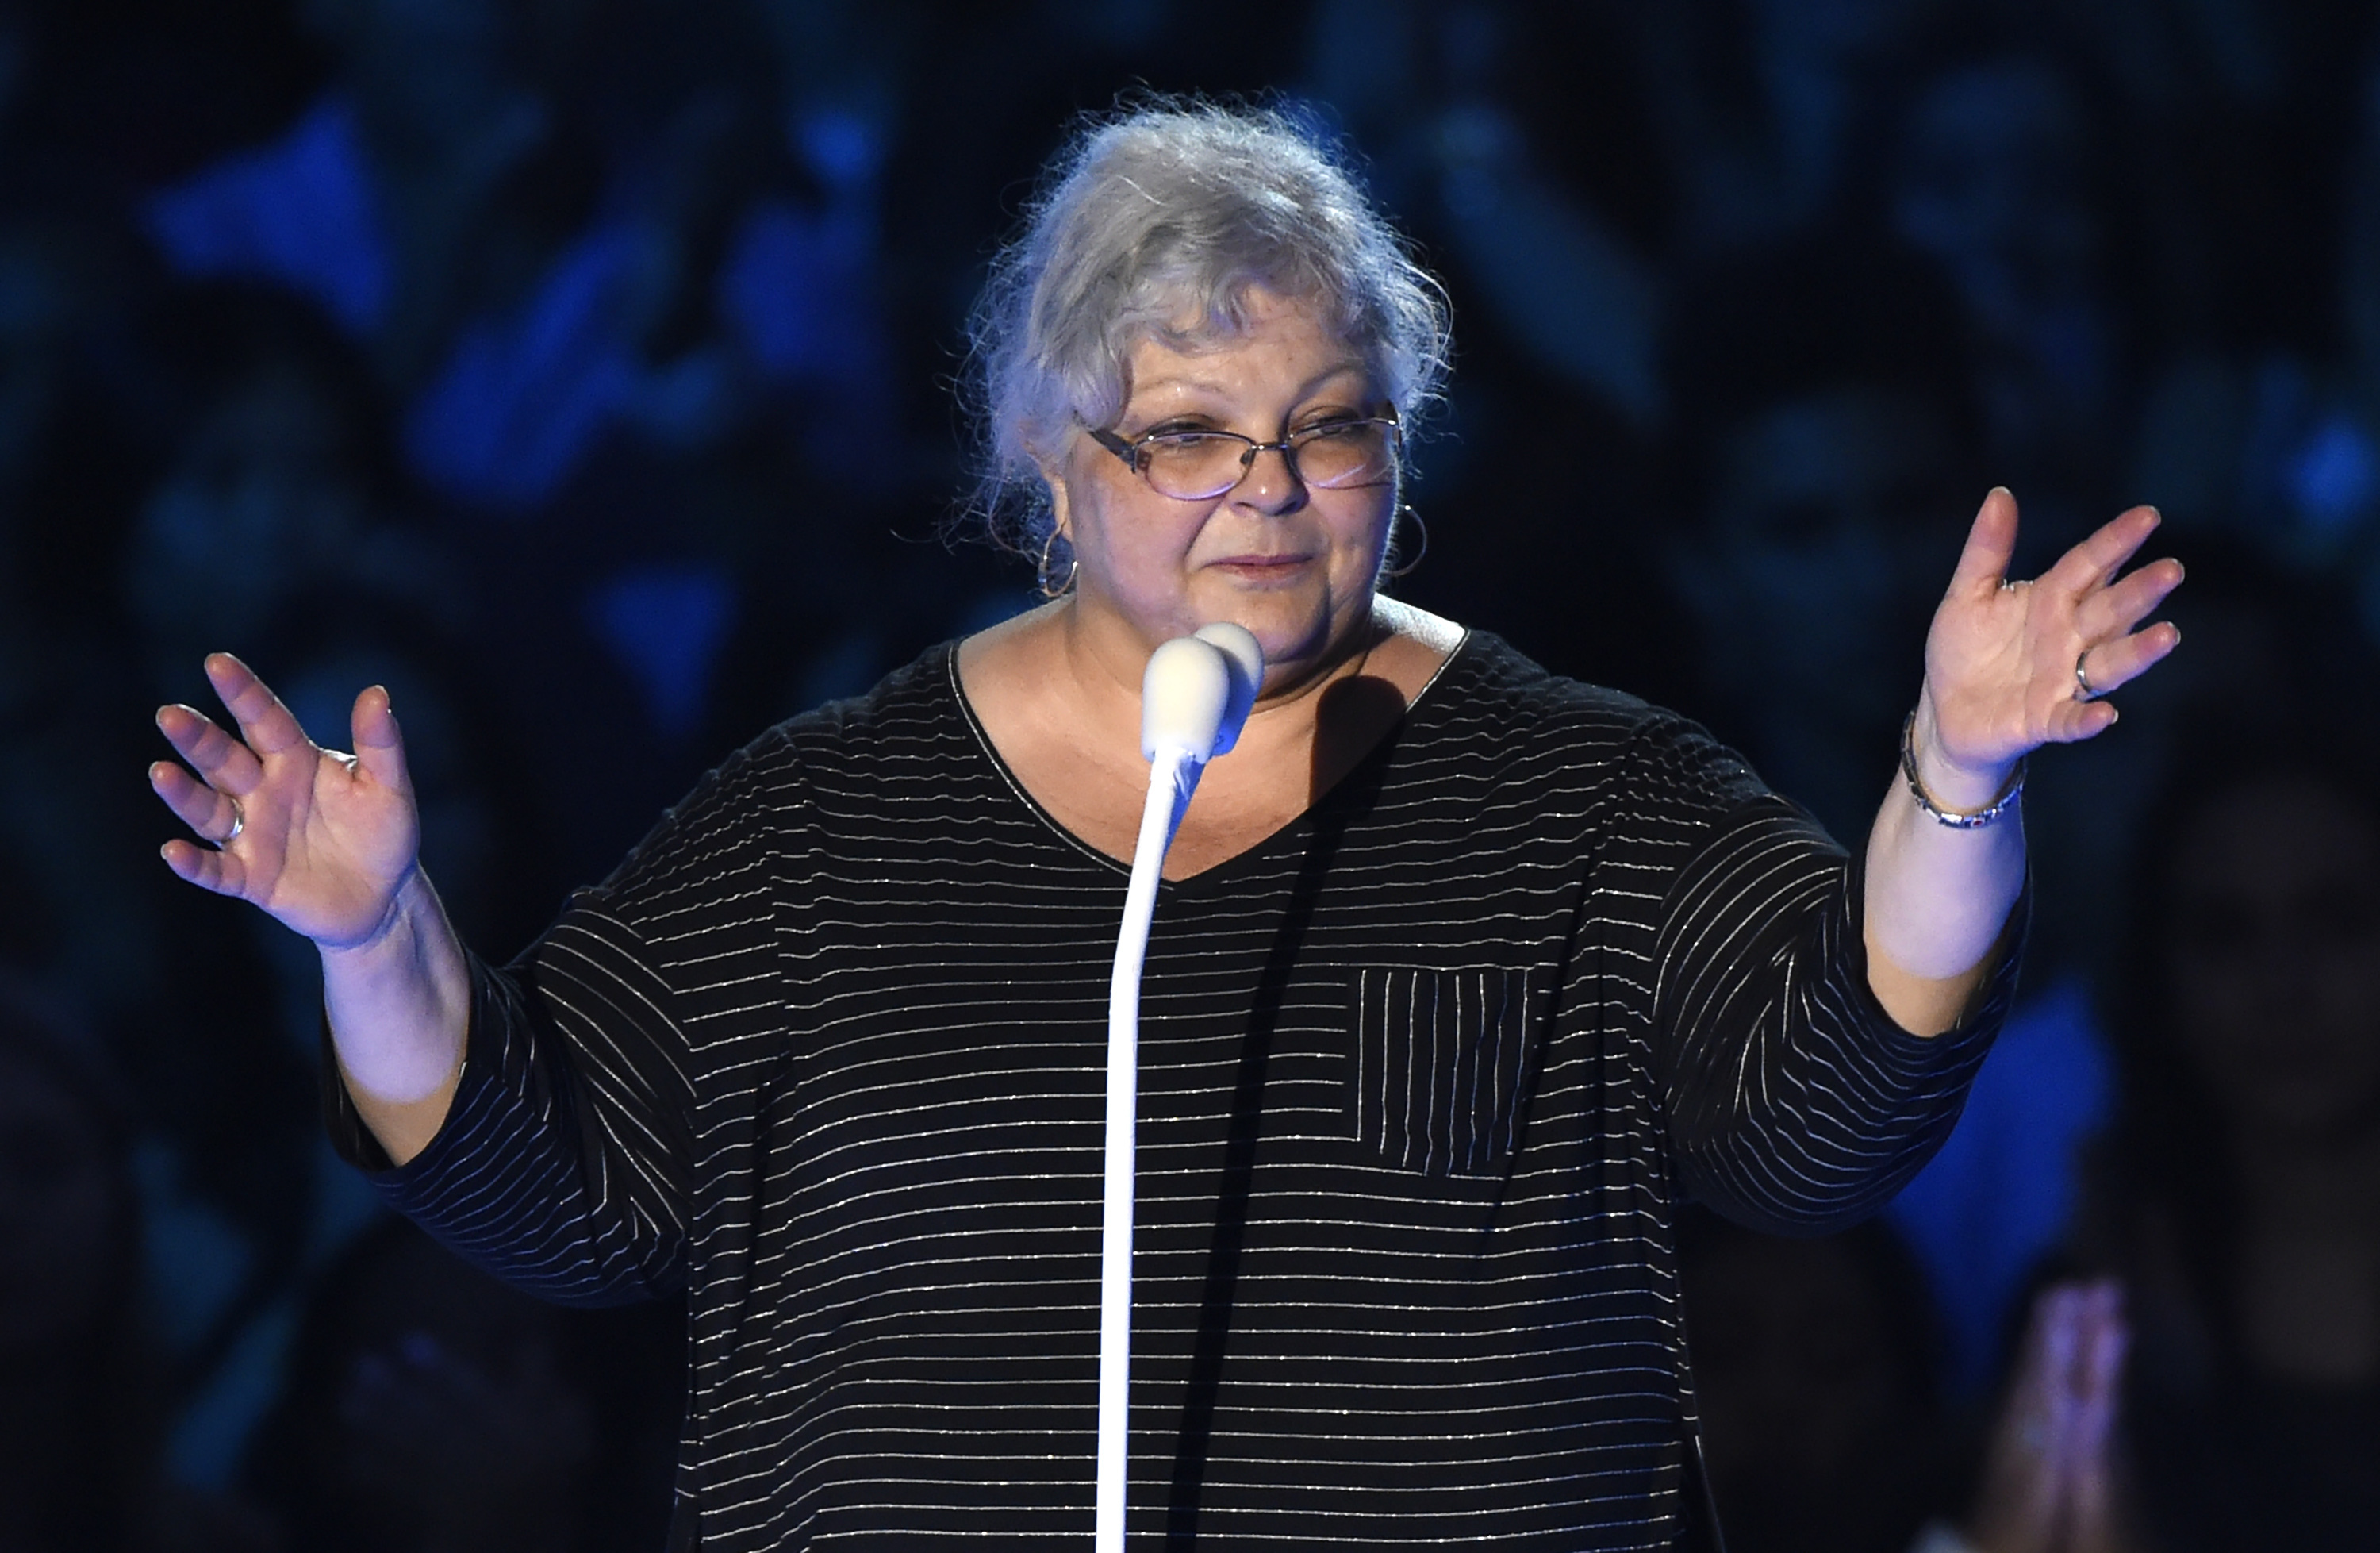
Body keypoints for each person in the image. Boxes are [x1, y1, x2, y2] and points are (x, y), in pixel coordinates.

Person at [146, 103, 2182, 1549]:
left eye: (1329, 428)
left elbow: (1826, 1116)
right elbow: (559, 1180)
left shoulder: (1584, 795)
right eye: (1188, 435)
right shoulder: (822, 829)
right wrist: (371, 937)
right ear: (1051, 466)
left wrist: (1955, 775)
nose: (1267, 492)